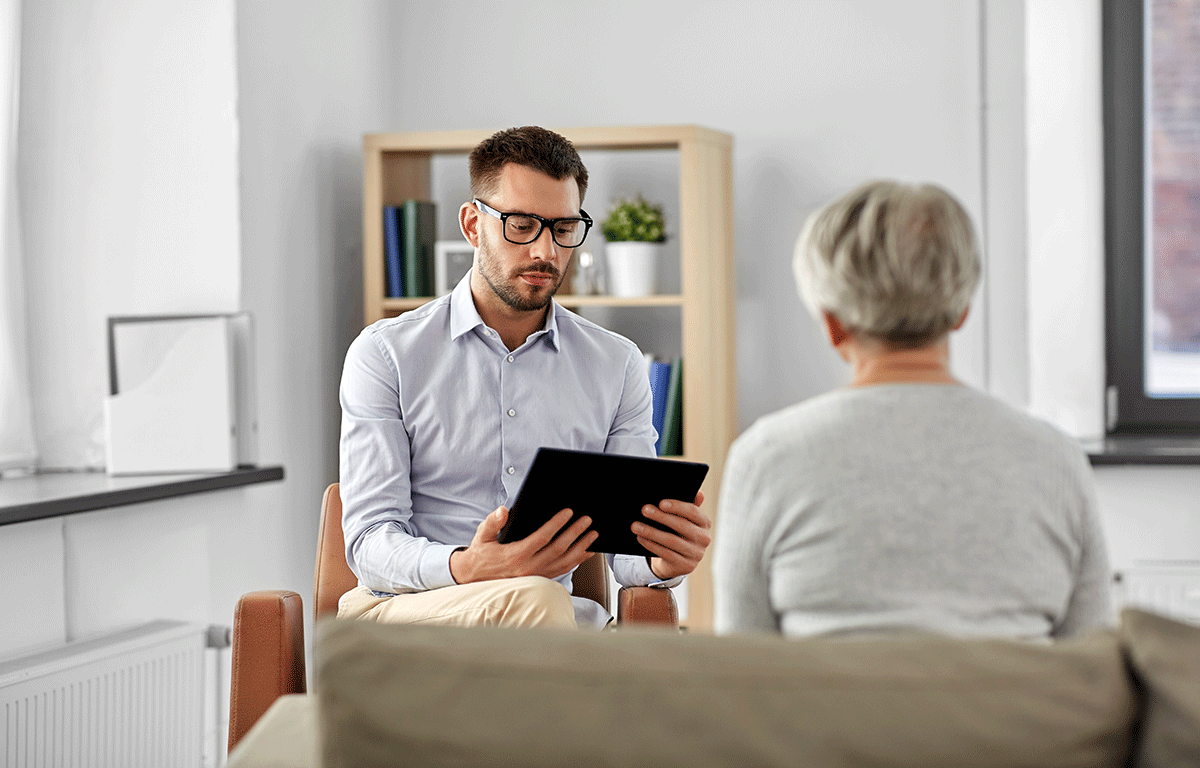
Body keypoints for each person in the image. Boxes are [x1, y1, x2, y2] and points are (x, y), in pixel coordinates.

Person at [337, 126, 711, 630]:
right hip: (406, 613)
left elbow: (625, 550)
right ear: (473, 225)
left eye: (563, 227)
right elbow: (369, 543)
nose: (545, 251)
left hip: (545, 619)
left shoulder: (616, 364)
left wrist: (662, 559)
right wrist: (467, 567)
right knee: (541, 605)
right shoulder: (385, 354)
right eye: (521, 225)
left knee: (546, 608)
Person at [713, 180, 1113, 640]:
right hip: (1013, 714)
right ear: (961, 310)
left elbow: (742, 675)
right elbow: (1091, 664)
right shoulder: (1054, 458)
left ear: (833, 324)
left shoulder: (765, 458)